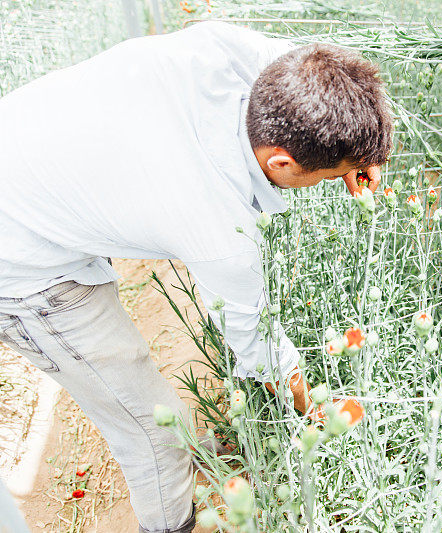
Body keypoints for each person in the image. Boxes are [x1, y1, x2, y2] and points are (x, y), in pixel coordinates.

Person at [0, 21, 392, 533]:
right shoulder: (219, 228)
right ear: (282, 162)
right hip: (21, 264)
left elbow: (314, 68)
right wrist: (316, 408)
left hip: (26, 155)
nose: (335, 182)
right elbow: (257, 346)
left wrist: (360, 152)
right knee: (152, 432)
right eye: (328, 174)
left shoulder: (221, 50)